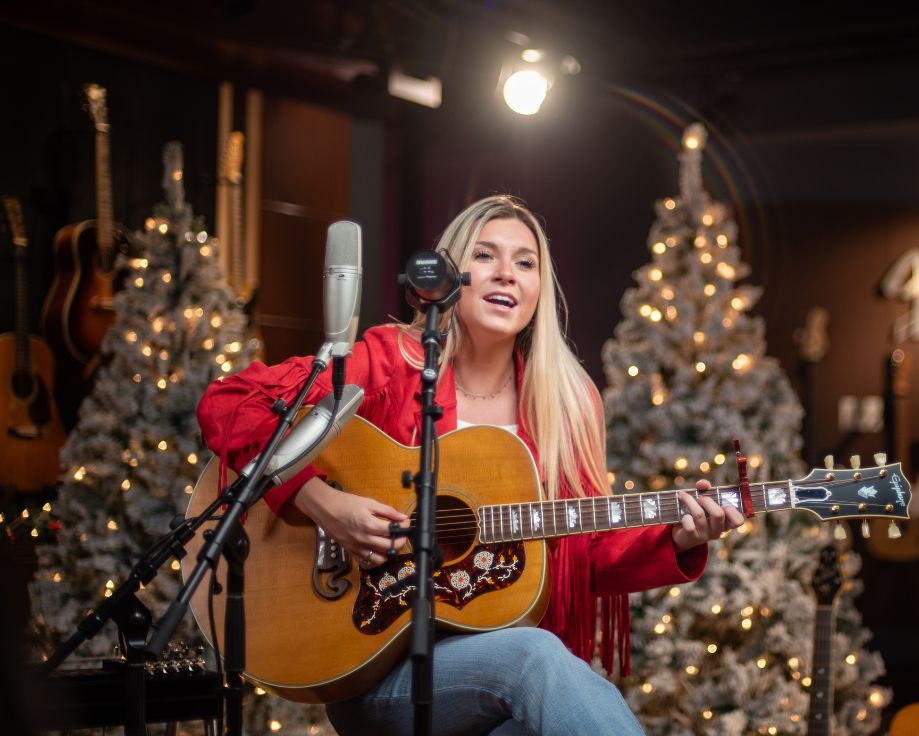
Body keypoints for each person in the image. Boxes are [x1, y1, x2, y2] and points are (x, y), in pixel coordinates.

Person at [196, 195, 744, 735]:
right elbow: (229, 403)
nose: (507, 274)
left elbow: (584, 552)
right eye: (485, 256)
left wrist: (678, 538)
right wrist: (321, 502)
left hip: (503, 682)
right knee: (537, 659)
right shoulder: (389, 361)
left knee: (544, 697)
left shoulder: (568, 402)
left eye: (525, 263)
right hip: (380, 669)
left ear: (539, 291)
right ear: (450, 276)